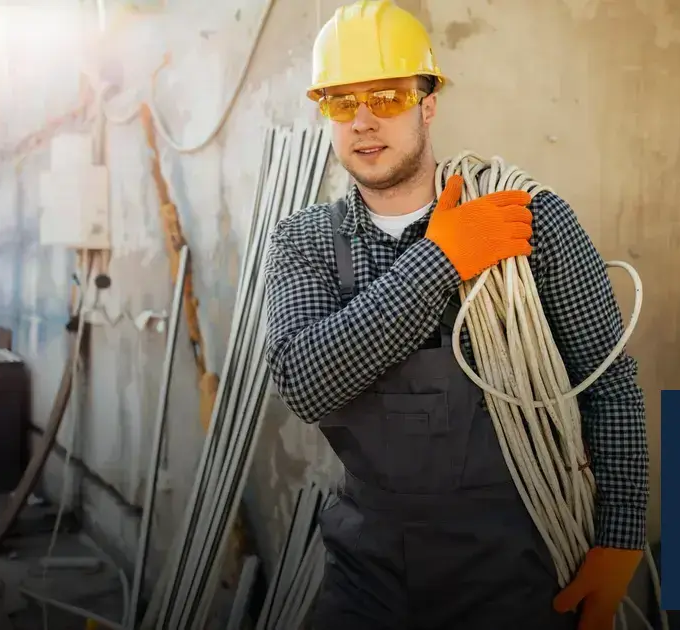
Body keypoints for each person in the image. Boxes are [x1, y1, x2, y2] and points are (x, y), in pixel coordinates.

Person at [263, 1, 650, 628]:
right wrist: (442, 258)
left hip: (516, 564)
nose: (363, 121)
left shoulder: (528, 221)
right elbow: (307, 382)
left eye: (386, 96)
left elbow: (608, 384)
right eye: (341, 102)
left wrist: (621, 539)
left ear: (428, 103)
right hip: (367, 567)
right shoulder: (305, 241)